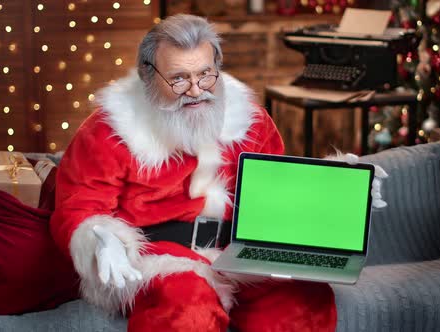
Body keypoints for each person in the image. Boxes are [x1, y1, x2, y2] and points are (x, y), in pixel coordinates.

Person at [49, 14, 338, 332]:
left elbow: (276, 191)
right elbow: (79, 206)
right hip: (160, 258)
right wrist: (98, 240)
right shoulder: (109, 129)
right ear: (148, 77)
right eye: (179, 79)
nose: (197, 90)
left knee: (305, 298)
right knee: (189, 307)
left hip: (235, 252)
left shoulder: (250, 119)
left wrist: (337, 192)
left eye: (206, 74)